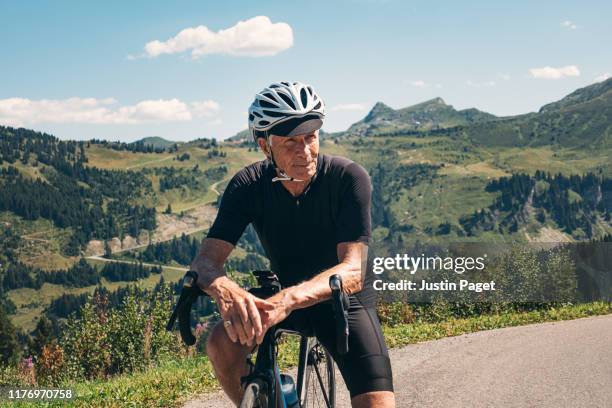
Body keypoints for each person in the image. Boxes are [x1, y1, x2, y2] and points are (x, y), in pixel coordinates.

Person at [191, 81, 395, 408]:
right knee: (219, 343)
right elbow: (205, 262)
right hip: (281, 297)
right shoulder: (248, 185)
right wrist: (226, 290)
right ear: (264, 145)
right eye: (290, 142)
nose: (304, 152)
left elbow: (354, 270)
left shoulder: (348, 178)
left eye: (310, 138)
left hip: (344, 303)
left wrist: (288, 299)